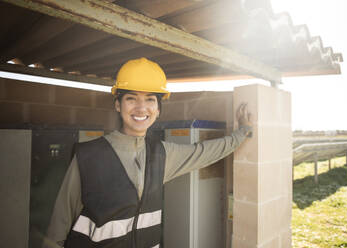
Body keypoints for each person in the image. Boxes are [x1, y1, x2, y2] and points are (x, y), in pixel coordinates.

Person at [44, 57, 252, 248]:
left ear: (158, 109)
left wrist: (242, 132)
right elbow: (59, 224)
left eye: (150, 99)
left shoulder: (162, 154)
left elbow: (205, 152)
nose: (141, 107)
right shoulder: (88, 155)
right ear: (118, 104)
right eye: (131, 98)